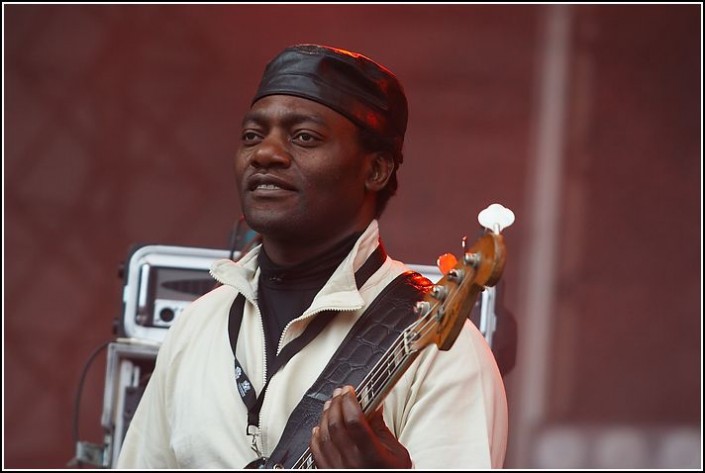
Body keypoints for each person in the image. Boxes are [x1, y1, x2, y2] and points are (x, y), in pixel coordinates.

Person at [117, 44, 508, 469]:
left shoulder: (441, 348)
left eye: (304, 137)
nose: (264, 154)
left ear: (376, 170)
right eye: (251, 136)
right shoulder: (196, 327)